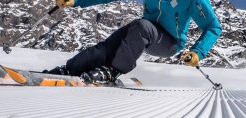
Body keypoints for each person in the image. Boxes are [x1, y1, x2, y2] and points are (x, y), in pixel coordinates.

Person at [47, 0, 222, 84]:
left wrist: (198, 52)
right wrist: (77, 1)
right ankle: (72, 68)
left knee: (141, 26)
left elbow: (213, 27)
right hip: (144, 31)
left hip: (170, 43)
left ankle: (112, 71)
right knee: (108, 46)